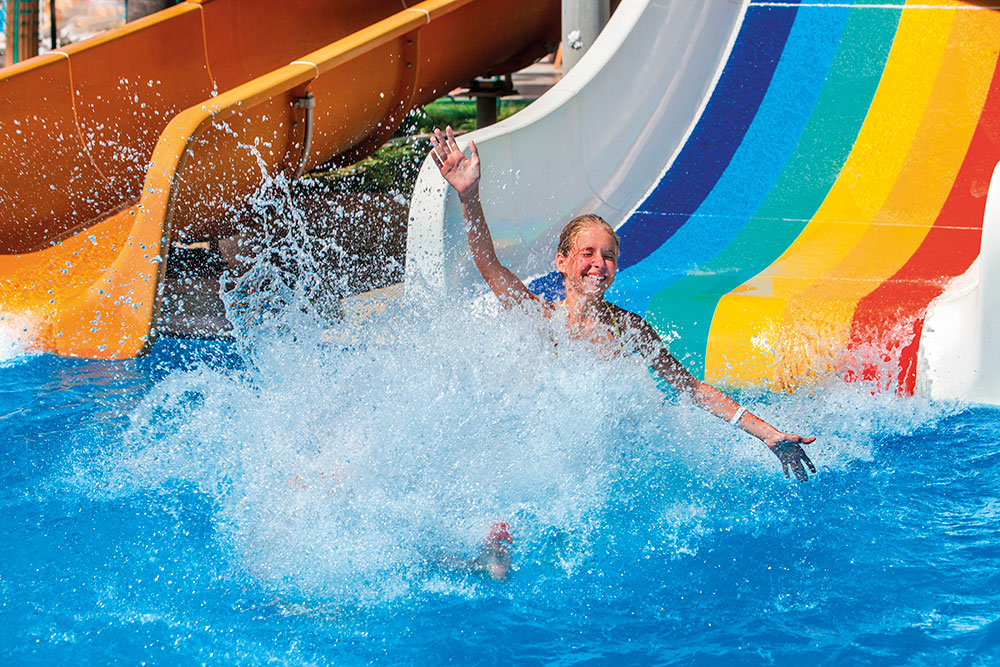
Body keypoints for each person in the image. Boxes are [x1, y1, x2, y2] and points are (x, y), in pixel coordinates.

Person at [429, 126, 817, 483]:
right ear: (562, 261)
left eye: (609, 255)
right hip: (544, 456)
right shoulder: (540, 316)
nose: (600, 263)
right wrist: (468, 196)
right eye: (588, 253)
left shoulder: (629, 329)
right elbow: (488, 263)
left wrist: (767, 434)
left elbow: (691, 388)